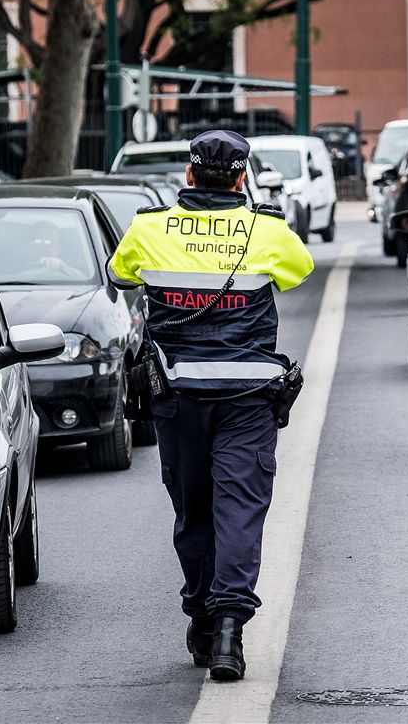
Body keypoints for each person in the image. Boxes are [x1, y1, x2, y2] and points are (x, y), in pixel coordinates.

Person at [107, 130, 314, 681]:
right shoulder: (265, 230)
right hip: (247, 399)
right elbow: (299, 271)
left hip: (178, 398)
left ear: (189, 175)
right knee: (240, 511)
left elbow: (119, 274)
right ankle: (228, 633)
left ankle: (202, 618)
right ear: (242, 178)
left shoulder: (149, 228)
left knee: (193, 513)